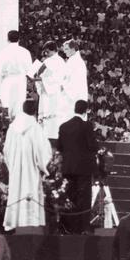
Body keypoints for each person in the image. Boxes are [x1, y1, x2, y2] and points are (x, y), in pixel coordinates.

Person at [3, 99, 52, 231]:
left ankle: (14, 222)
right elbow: (43, 151)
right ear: (34, 112)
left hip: (16, 169)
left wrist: (12, 165)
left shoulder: (12, 127)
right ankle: (29, 223)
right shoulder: (35, 128)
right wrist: (44, 166)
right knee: (30, 190)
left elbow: (6, 151)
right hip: (31, 170)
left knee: (16, 191)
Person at [57, 100, 99, 234]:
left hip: (68, 168)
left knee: (69, 197)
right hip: (83, 169)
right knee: (83, 198)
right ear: (86, 110)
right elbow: (93, 146)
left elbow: (59, 147)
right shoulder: (87, 126)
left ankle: (67, 227)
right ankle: (82, 228)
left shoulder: (64, 126)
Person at [0, 30, 32, 119]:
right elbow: (29, 70)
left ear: (7, 39)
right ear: (19, 39)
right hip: (20, 80)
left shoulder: (3, 52)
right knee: (19, 105)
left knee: (6, 104)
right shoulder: (25, 52)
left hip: (8, 80)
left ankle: (5, 128)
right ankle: (18, 129)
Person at [35, 41, 65, 139]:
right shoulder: (57, 60)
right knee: (46, 113)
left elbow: (58, 77)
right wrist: (39, 78)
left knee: (52, 113)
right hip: (47, 89)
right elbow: (39, 73)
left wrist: (40, 79)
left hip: (52, 90)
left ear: (52, 50)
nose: (46, 54)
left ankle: (51, 135)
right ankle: (45, 134)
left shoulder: (54, 61)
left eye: (47, 51)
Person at [60, 39, 88, 124]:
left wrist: (62, 85)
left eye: (66, 49)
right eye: (64, 49)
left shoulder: (75, 62)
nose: (64, 52)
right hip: (74, 95)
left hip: (74, 95)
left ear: (73, 49)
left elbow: (69, 79)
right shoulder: (73, 60)